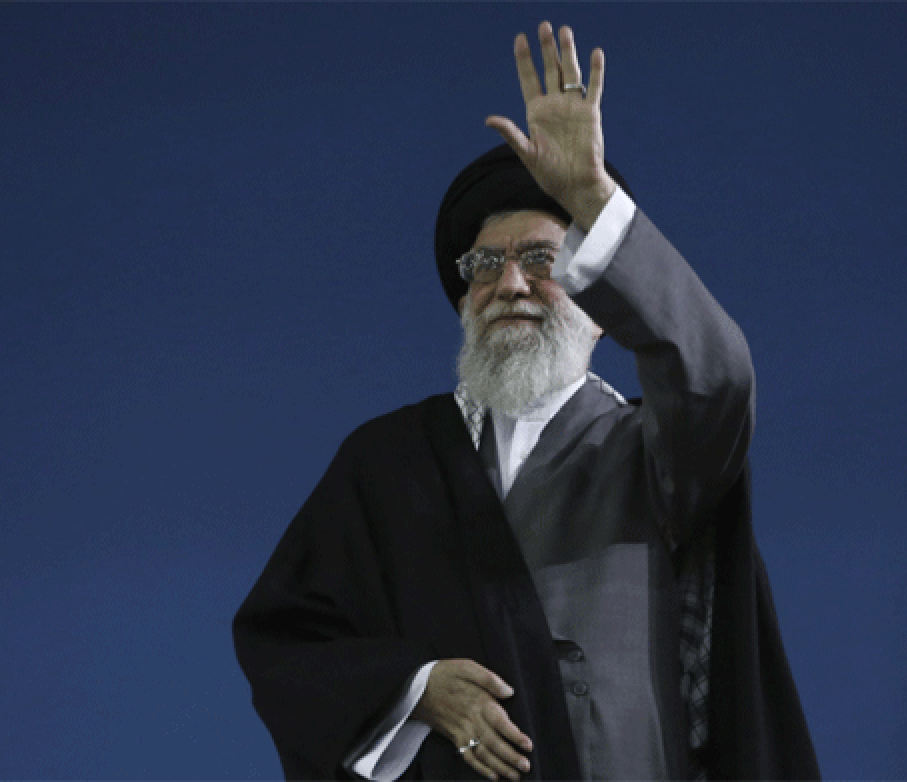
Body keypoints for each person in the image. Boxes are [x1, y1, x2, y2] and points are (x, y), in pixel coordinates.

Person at [233, 19, 820, 782]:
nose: (509, 283)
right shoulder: (386, 463)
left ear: (600, 301)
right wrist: (416, 688)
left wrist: (592, 196)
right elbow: (284, 639)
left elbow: (718, 375)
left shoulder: (653, 452)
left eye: (541, 259)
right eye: (485, 264)